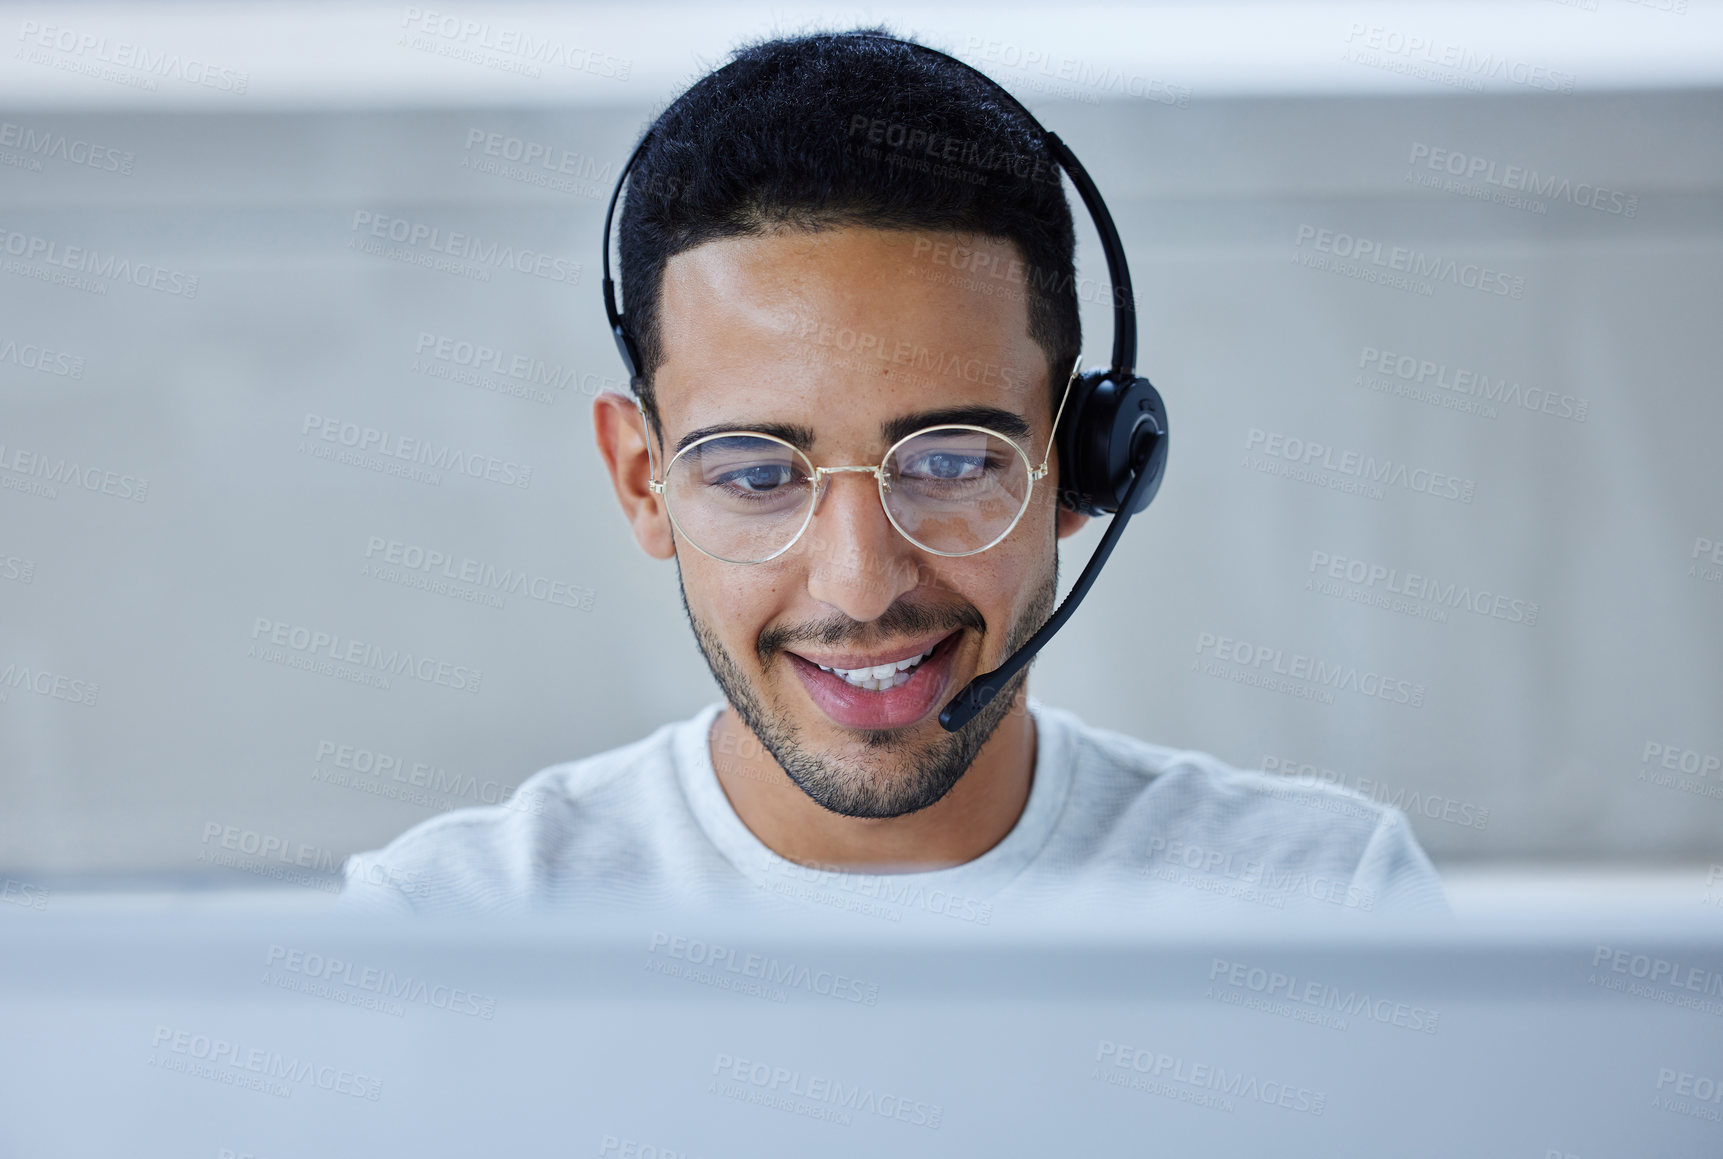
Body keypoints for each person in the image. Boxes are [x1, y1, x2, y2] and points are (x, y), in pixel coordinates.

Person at [339, 28, 1446, 921]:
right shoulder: (449, 926)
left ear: (1088, 464)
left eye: (953, 460)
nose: (861, 585)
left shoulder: (1322, 903)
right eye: (756, 474)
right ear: (643, 481)